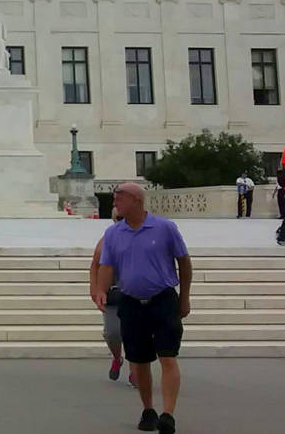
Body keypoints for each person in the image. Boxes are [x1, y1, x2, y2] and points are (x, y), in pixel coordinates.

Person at [92, 182, 192, 434]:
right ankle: (148, 409)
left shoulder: (165, 228)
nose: (114, 202)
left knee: (168, 356)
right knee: (139, 360)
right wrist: (101, 290)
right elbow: (106, 265)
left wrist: (185, 297)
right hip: (131, 301)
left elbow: (184, 262)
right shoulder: (113, 233)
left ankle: (168, 414)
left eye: (119, 198)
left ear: (137, 200)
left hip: (163, 299)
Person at [90, 211, 129, 383]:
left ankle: (136, 370)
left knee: (134, 333)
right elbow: (95, 265)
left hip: (135, 292)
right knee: (113, 332)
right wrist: (95, 289)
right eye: (119, 219)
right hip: (113, 292)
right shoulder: (107, 239)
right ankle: (116, 357)